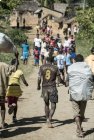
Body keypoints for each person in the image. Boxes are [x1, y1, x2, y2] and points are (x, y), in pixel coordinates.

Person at [66, 54, 94, 137]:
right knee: (81, 113)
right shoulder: (87, 67)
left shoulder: (71, 67)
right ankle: (79, 128)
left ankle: (79, 129)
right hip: (85, 93)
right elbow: (91, 79)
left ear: (74, 60)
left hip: (74, 93)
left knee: (76, 112)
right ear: (82, 60)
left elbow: (67, 81)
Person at [37, 54, 60, 128]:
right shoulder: (55, 68)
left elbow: (39, 78)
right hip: (52, 88)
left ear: (46, 60)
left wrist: (38, 85)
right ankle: (50, 119)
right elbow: (59, 79)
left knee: (46, 104)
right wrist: (62, 83)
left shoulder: (42, 67)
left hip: (44, 88)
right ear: (53, 61)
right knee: (53, 105)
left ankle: (47, 119)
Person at [6, 59, 28, 123]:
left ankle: (10, 106)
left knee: (9, 102)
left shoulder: (8, 71)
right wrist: (26, 84)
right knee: (15, 102)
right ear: (17, 64)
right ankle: (14, 117)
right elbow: (23, 80)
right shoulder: (19, 71)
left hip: (9, 87)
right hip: (16, 88)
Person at [0, 61, 17, 128]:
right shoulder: (4, 65)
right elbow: (13, 69)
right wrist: (16, 59)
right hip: (1, 90)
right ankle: (2, 123)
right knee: (2, 106)